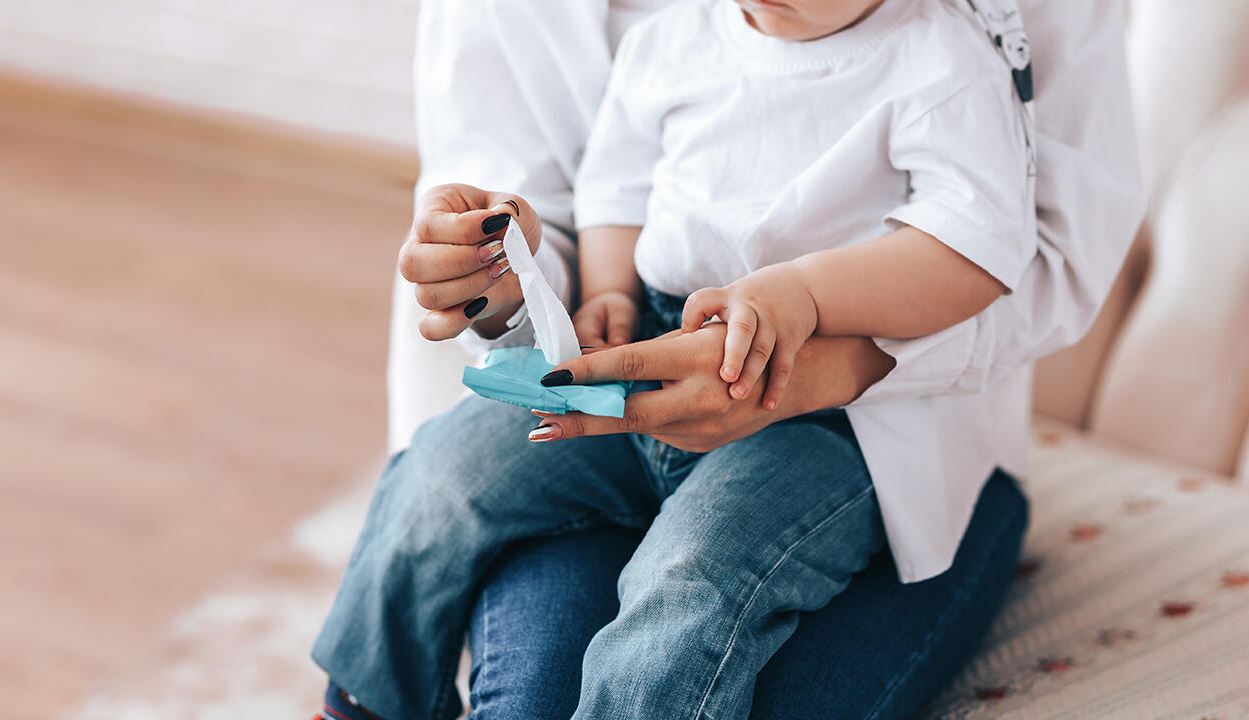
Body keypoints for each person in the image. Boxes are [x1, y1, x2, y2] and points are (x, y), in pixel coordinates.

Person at [312, 0, 1145, 717]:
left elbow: (978, 247)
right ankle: (370, 700)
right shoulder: (678, 36)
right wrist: (602, 289)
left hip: (821, 414)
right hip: (642, 350)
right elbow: (617, 184)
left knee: (690, 589)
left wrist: (809, 299)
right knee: (441, 476)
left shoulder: (946, 59)